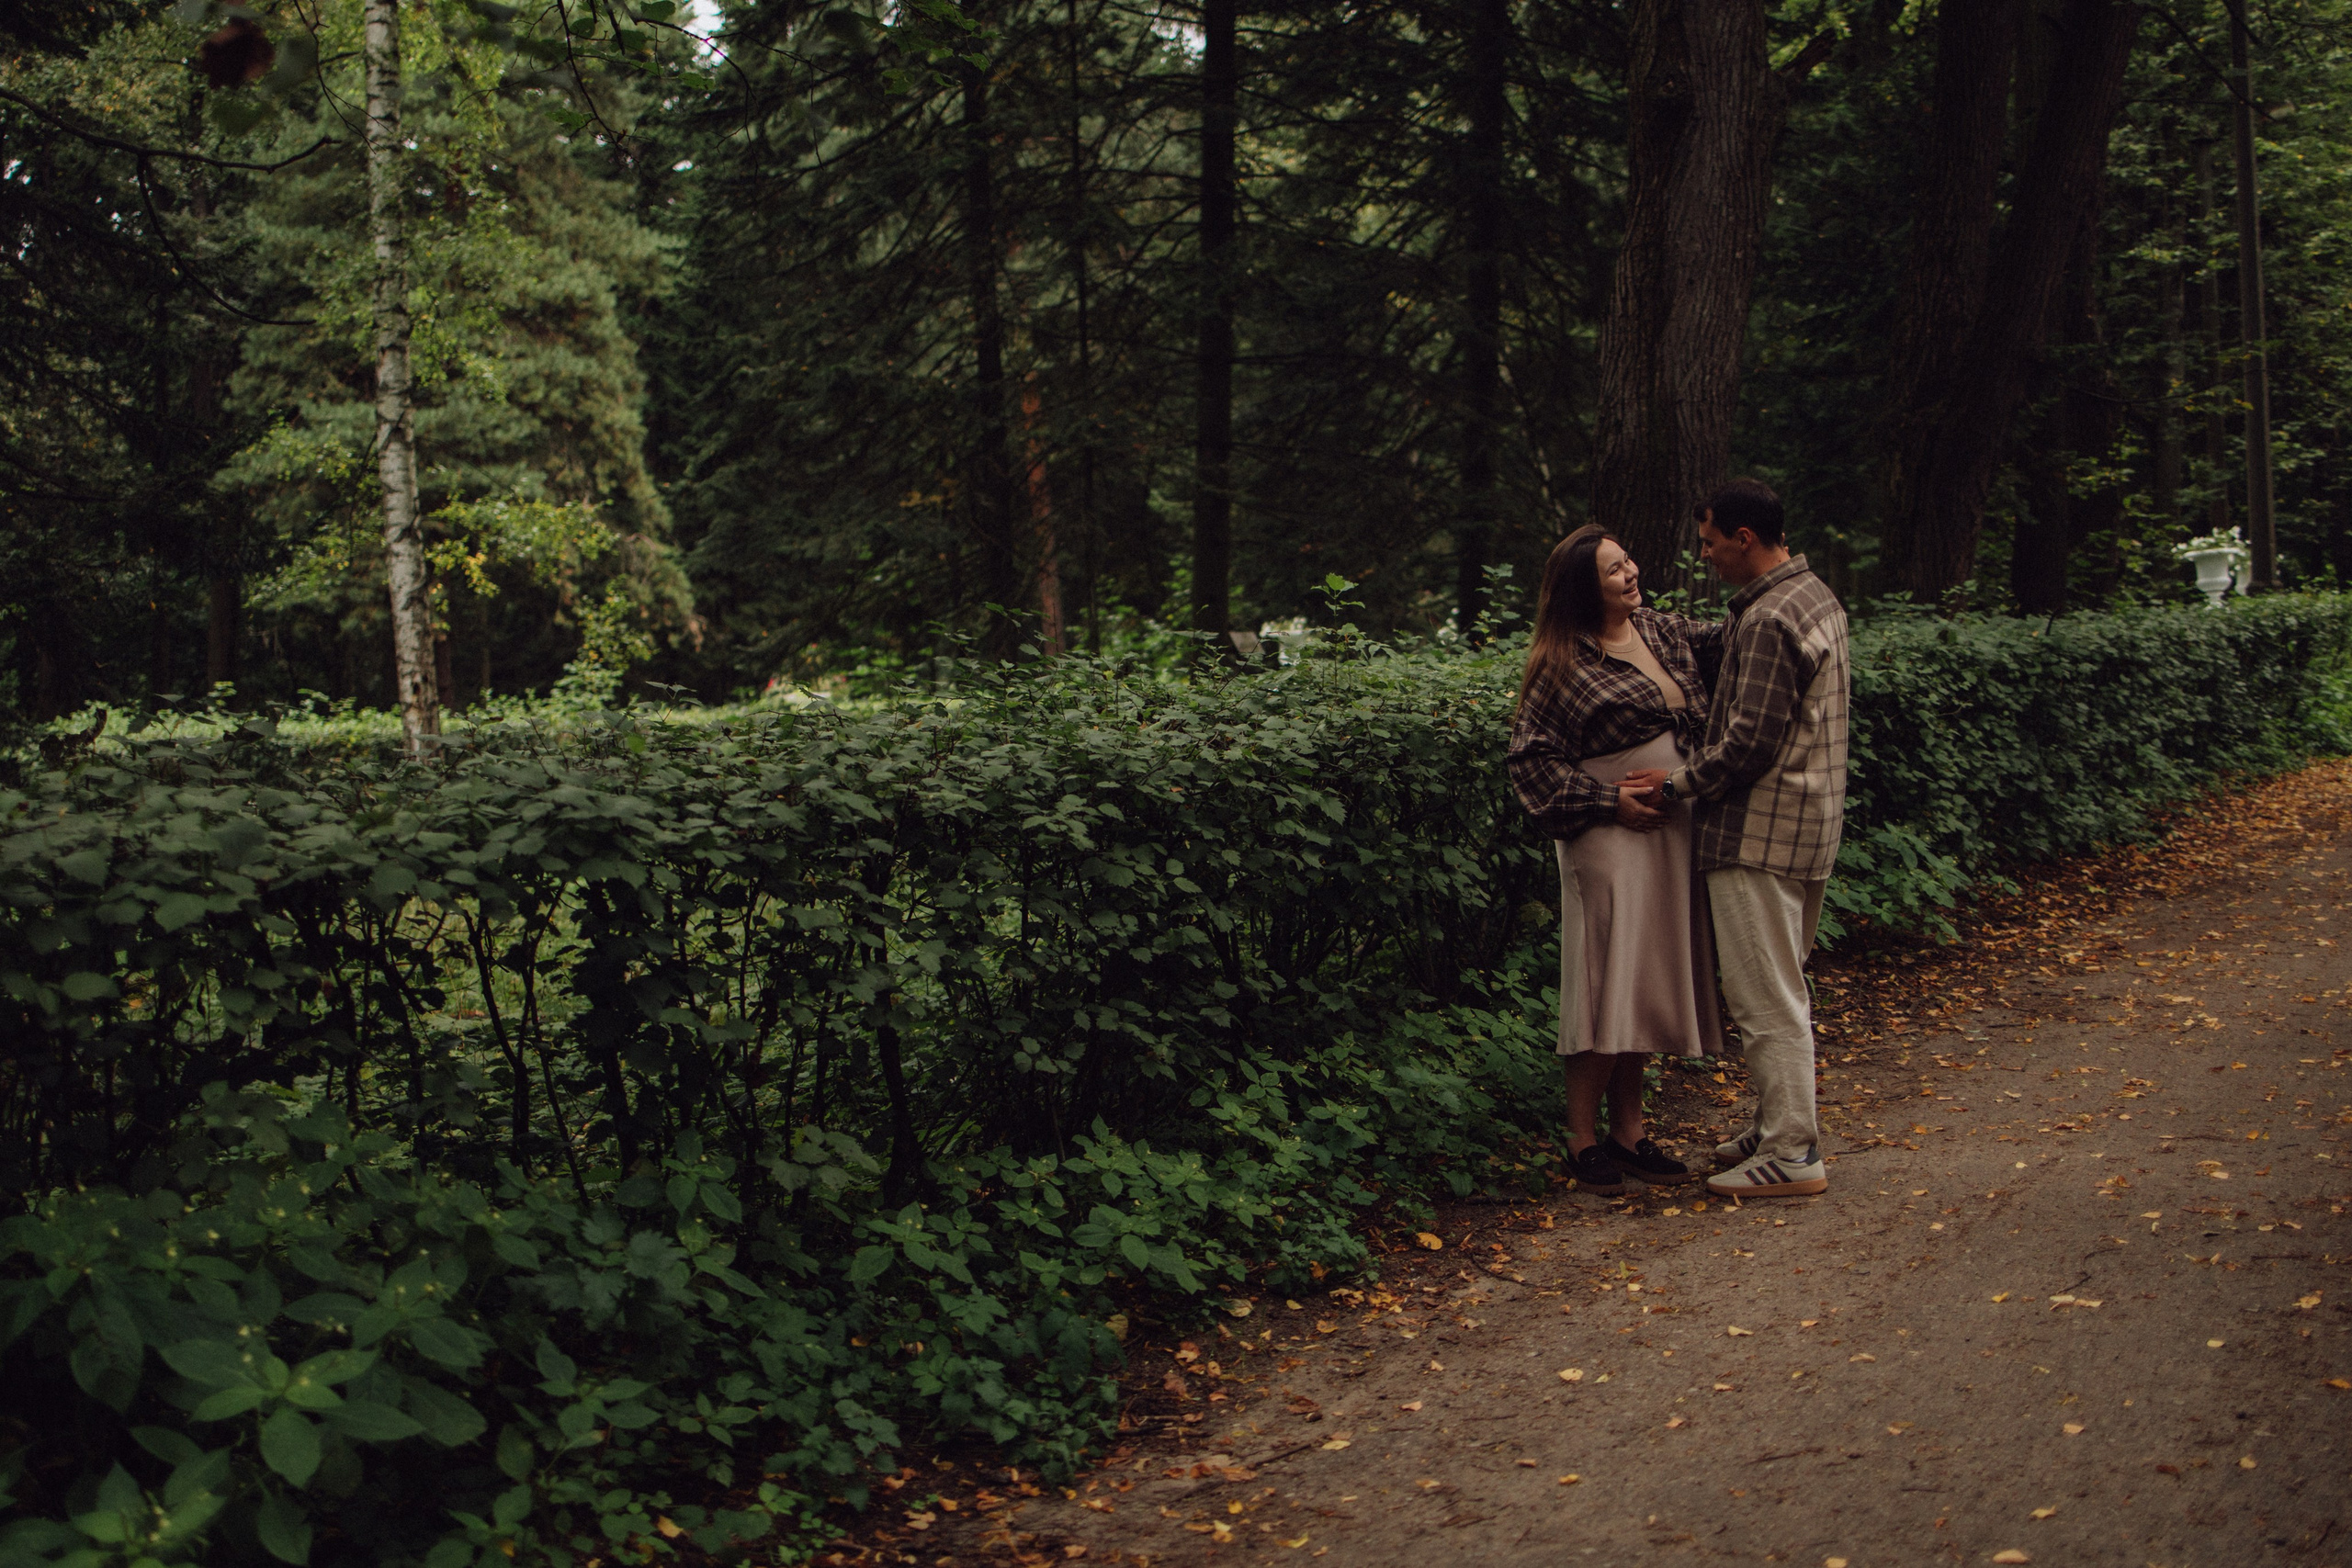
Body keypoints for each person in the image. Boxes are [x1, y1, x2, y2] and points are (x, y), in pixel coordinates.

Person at [1508, 525, 1726, 1198]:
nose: (1631, 572)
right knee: (1604, 982)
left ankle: (1630, 1132)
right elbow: (1530, 762)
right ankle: (1581, 1139)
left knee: (1644, 981)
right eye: (1613, 569)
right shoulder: (1562, 661)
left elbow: (1737, 634)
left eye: (1628, 559)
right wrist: (1608, 801)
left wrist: (1780, 589)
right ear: (1585, 587)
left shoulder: (1662, 631)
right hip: (1606, 836)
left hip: (1668, 831)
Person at [1650, 479, 1850, 1201]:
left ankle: (1794, 1152)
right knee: (1781, 987)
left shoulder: (1768, 618)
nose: (1703, 556)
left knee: (1766, 999)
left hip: (1757, 832)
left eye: (1708, 542)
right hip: (1808, 824)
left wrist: (1674, 786)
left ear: (1743, 537)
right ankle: (1778, 1127)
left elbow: (1748, 742)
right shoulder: (1815, 595)